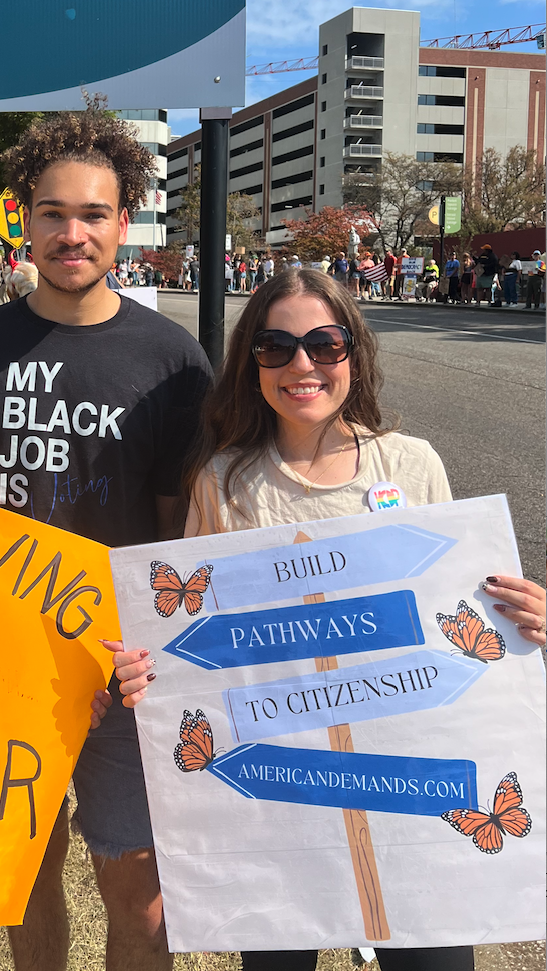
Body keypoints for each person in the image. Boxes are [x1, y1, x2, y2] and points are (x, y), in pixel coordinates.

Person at [108, 269, 547, 971]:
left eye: (323, 343)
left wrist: (525, 618)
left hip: (410, 789)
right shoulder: (222, 481)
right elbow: (184, 645)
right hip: (284, 800)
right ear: (250, 363)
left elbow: (461, 611)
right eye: (274, 346)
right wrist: (146, 673)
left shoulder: (411, 466)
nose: (301, 365)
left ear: (354, 352)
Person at [0, 108, 212, 971]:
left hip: (125, 670)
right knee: (25, 878)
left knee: (140, 895)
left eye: (92, 215)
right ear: (22, 217)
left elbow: (174, 531)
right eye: (52, 212)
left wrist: (156, 653)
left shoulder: (174, 362)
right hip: (0, 664)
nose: (71, 233)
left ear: (123, 221)